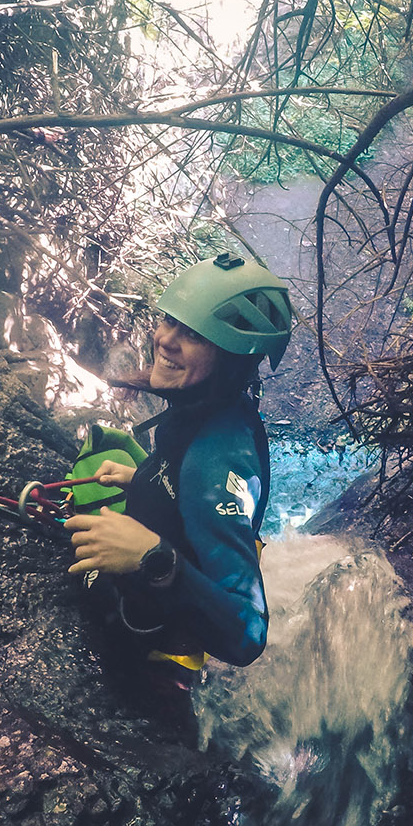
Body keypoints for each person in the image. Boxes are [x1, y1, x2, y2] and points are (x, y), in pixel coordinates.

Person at [65, 253, 292, 709]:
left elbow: (248, 634)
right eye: (169, 320)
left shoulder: (217, 460)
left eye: (193, 334)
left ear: (230, 359)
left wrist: (153, 559)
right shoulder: (206, 409)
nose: (163, 339)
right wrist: (142, 481)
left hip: (146, 640)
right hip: (156, 584)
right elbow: (184, 477)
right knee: (104, 456)